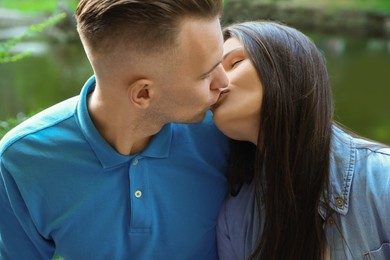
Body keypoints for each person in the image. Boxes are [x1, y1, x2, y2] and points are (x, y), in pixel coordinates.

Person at [0, 1, 230, 259]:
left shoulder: (226, 131)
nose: (224, 82)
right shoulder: (21, 161)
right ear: (143, 93)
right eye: (206, 75)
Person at [212, 21, 390, 260]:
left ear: (287, 67)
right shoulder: (234, 220)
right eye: (209, 75)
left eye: (234, 62)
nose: (216, 83)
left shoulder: (383, 182)